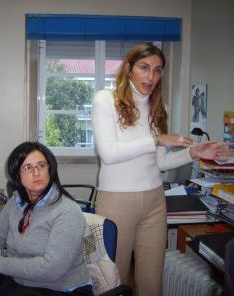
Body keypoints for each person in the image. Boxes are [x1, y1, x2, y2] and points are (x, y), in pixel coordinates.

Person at [92, 43, 234, 296]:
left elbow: (159, 163)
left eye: (158, 70)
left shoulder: (157, 109)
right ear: (129, 68)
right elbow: (109, 153)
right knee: (112, 279)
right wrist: (156, 140)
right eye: (144, 68)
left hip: (155, 201)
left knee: (151, 281)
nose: (151, 77)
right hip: (117, 201)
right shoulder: (105, 100)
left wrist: (193, 153)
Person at [0, 141, 92, 296]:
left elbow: (51, 269)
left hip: (60, 289)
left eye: (41, 166)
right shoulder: (16, 202)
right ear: (17, 175)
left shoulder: (67, 212)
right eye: (28, 168)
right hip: (24, 282)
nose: (36, 173)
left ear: (50, 169)